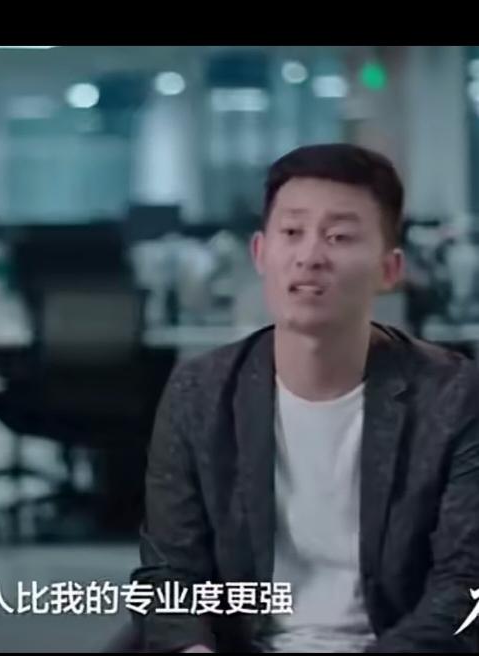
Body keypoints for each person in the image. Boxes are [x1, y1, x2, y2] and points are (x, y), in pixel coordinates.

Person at [130, 143, 479, 652]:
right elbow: (168, 575)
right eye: (292, 232)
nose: (310, 256)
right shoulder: (199, 394)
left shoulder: (454, 397)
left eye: (339, 237)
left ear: (389, 269)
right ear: (259, 253)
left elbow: (465, 587)